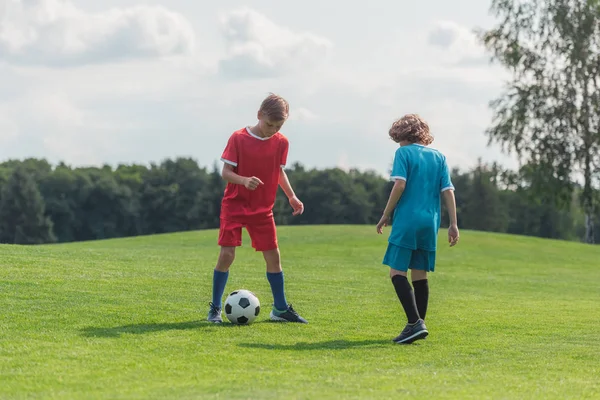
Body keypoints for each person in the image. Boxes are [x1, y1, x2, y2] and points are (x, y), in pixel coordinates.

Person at [207, 93, 308, 324]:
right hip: (234, 206)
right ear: (259, 115)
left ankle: (280, 309)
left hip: (263, 209)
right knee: (227, 255)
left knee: (274, 258)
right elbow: (225, 173)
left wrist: (291, 196)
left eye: (278, 126)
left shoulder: (282, 142)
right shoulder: (238, 138)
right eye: (269, 124)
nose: (272, 130)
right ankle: (214, 308)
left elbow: (279, 171)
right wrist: (243, 180)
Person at [376, 114, 459, 344]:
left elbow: (400, 184)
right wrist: (453, 223)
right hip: (430, 223)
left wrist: (386, 214)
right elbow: (448, 191)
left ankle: (415, 323)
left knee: (397, 273)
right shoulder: (439, 157)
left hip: (407, 221)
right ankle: (418, 325)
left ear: (402, 136)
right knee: (419, 274)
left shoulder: (403, 153)